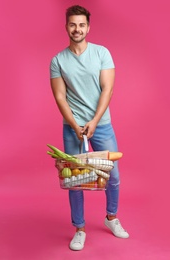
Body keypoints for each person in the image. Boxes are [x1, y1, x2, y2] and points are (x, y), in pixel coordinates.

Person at [50, 5, 129, 251]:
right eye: (73, 24)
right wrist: (75, 125)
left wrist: (94, 121)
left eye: (81, 24)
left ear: (88, 27)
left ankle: (111, 217)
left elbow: (108, 89)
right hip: (72, 127)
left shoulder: (102, 53)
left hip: (101, 124)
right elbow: (60, 97)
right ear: (66, 27)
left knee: (112, 176)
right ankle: (80, 228)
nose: (77, 29)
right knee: (75, 180)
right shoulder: (57, 60)